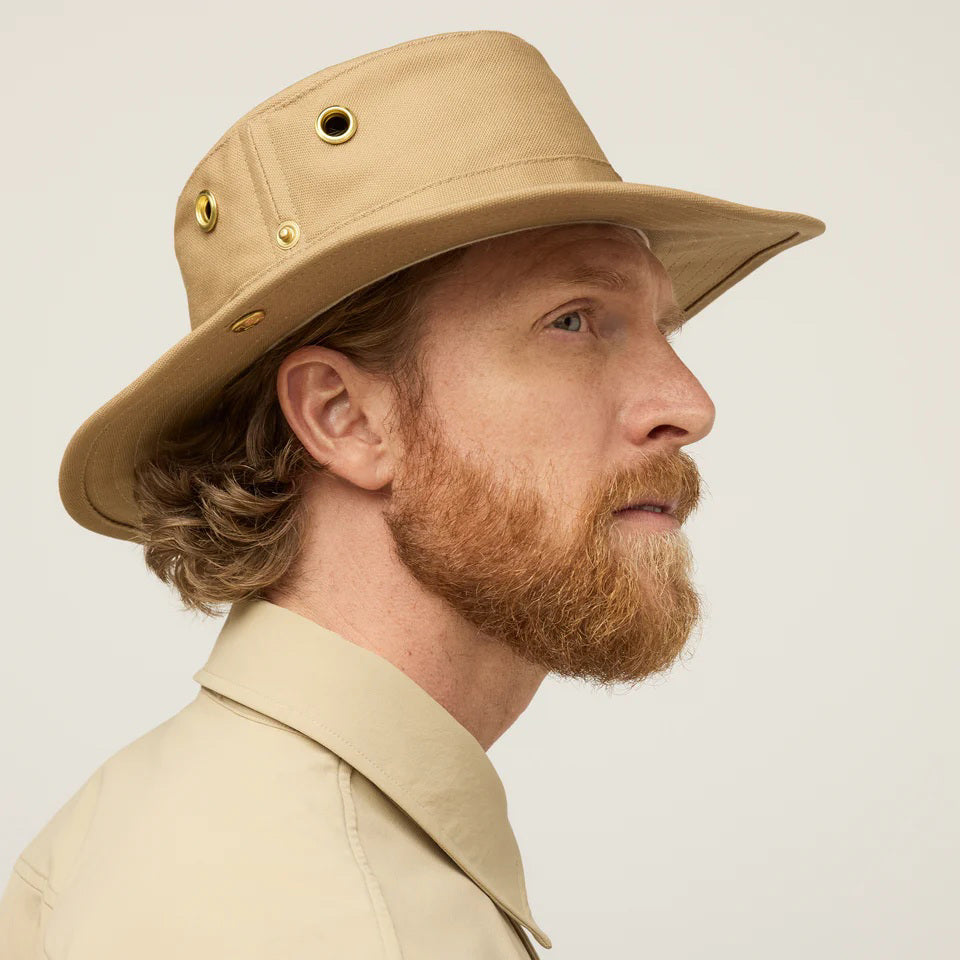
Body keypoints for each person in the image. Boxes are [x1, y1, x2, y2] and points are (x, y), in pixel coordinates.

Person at [0, 29, 824, 959]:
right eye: (573, 321)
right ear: (345, 417)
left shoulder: (191, 822)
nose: (689, 405)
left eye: (661, 327)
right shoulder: (320, 917)